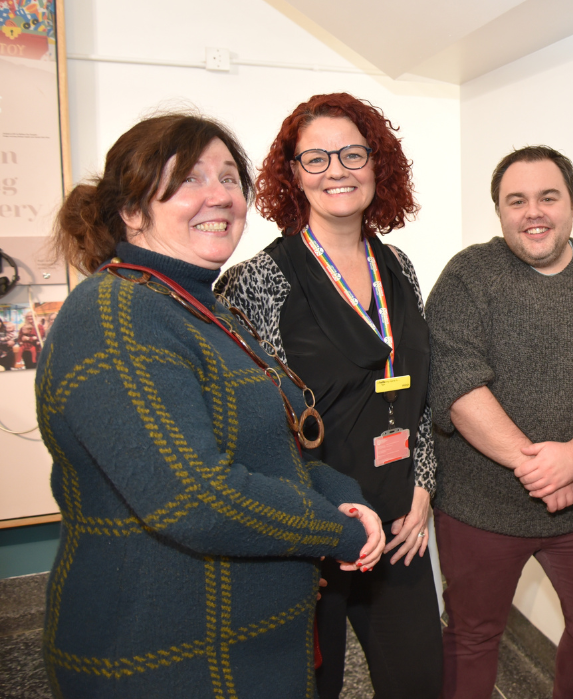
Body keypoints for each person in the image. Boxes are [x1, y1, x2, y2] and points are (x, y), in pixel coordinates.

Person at [36, 113, 385, 698]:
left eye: (229, 178)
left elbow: (273, 450)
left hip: (248, 647)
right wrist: (336, 532)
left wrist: (344, 496)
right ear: (131, 209)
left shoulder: (204, 309)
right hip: (164, 657)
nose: (220, 195)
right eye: (190, 179)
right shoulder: (116, 314)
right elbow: (193, 497)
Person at [216, 93, 442, 699]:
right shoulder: (254, 282)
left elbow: (418, 393)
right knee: (312, 686)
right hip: (309, 530)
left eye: (351, 154)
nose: (336, 170)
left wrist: (423, 484)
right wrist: (309, 518)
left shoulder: (400, 266)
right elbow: (247, 424)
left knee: (419, 679)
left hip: (400, 522)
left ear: (378, 164)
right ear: (292, 174)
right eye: (314, 158)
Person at [426, 145, 573, 699]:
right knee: (474, 638)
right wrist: (541, 467)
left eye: (548, 197)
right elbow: (455, 384)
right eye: (515, 201)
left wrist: (572, 458)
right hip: (480, 505)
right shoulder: (467, 276)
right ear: (498, 212)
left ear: (572, 204)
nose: (533, 212)